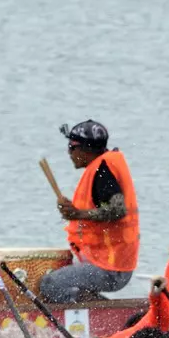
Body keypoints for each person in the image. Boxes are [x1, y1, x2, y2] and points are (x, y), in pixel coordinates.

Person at [40, 120, 139, 303]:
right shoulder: (102, 168)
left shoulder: (103, 171)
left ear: (85, 149)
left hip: (110, 268)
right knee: (61, 278)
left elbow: (118, 210)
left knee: (50, 285)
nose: (69, 153)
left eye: (71, 147)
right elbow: (101, 208)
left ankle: (99, 314)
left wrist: (79, 214)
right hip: (109, 262)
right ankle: (102, 310)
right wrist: (75, 212)